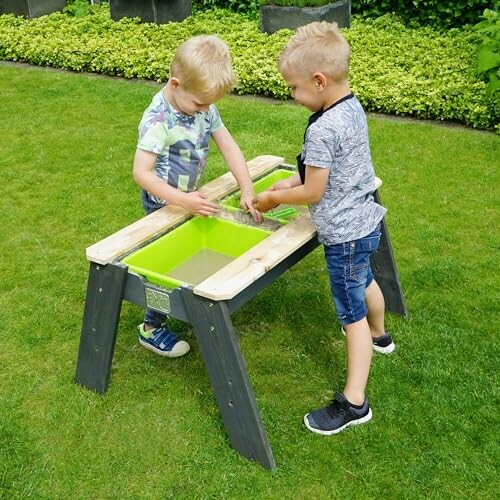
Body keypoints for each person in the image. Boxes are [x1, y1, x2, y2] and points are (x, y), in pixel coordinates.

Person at [253, 21, 395, 435]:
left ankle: (354, 403)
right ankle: (381, 335)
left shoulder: (321, 128)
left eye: (294, 88)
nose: (293, 96)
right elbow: (335, 172)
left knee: (349, 315)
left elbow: (315, 192)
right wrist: (289, 182)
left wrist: (276, 198)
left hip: (343, 236)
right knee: (366, 279)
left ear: (318, 81)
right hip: (366, 222)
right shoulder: (351, 107)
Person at [133, 35, 261, 358]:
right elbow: (142, 174)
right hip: (161, 202)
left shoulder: (204, 108)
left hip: (188, 196)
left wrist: (246, 187)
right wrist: (182, 200)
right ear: (175, 84)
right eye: (199, 104)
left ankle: (185, 305)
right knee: (164, 264)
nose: (204, 110)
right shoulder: (158, 121)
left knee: (186, 256)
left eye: (208, 104)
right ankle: (151, 327)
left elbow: (228, 146)